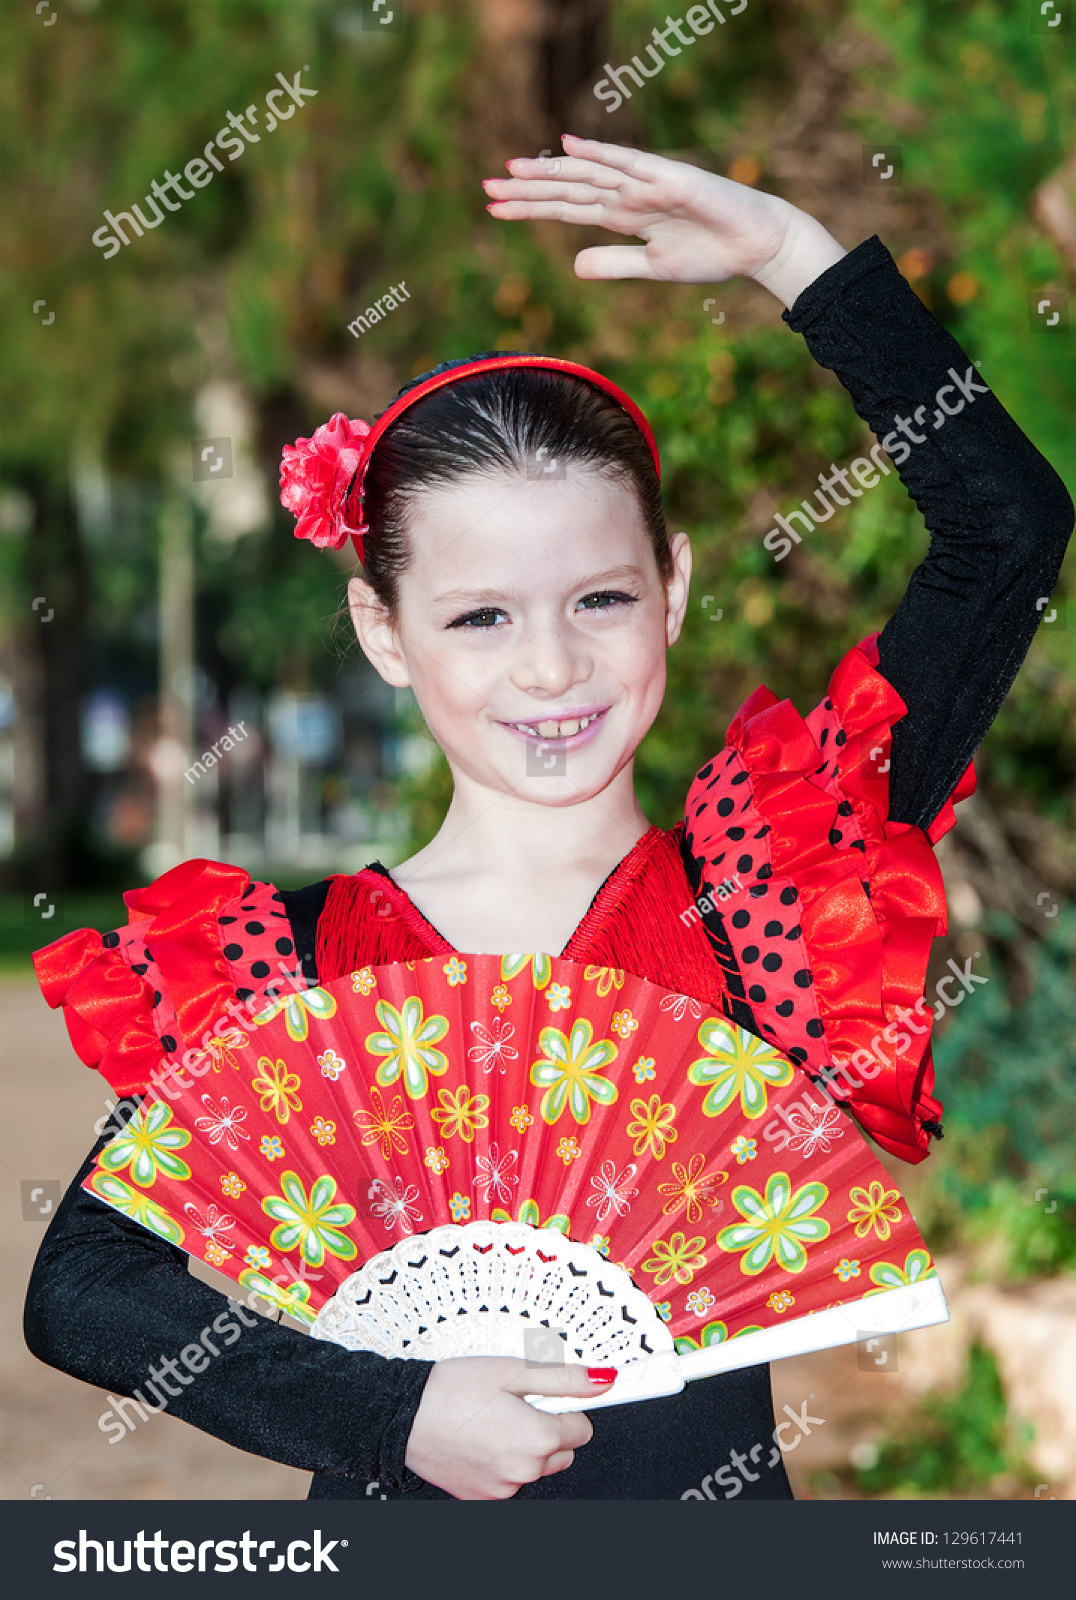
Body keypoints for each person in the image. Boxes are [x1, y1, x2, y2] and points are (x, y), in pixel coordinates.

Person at [26, 136, 1072, 1501]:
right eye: (479, 617)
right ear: (383, 630)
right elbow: (87, 1289)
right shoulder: (292, 965)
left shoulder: (771, 889)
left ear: (675, 588)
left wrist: (797, 262)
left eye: (600, 598)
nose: (550, 668)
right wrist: (383, 1415)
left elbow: (1007, 529)